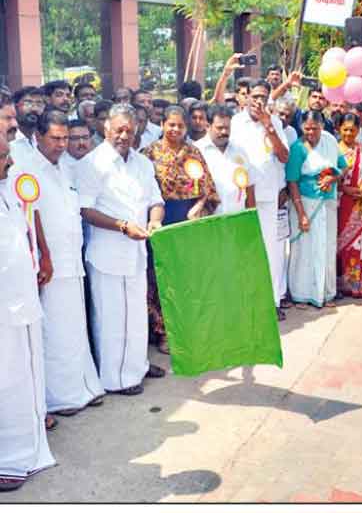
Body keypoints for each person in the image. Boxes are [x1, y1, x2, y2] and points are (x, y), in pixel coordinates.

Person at [8, 110, 105, 417]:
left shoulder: (66, 167)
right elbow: (29, 215)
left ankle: (82, 387)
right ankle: (61, 397)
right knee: (55, 332)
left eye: (66, 138)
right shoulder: (24, 169)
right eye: (56, 138)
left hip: (72, 259)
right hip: (49, 264)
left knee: (75, 328)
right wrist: (44, 256)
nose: (62, 144)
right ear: (38, 137)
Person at [75, 104, 167, 395]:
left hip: (138, 251)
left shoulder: (142, 163)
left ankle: (137, 366)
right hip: (108, 252)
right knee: (112, 317)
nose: (124, 135)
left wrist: (154, 222)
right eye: (118, 130)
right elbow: (85, 210)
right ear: (106, 129)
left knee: (136, 314)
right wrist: (123, 226)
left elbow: (156, 200)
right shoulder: (91, 164)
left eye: (129, 130)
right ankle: (117, 379)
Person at [0, 131, 56, 492]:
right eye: (4, 156)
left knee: (25, 375)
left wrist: (42, 256)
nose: (9, 162)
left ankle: (29, 450)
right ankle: (10, 457)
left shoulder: (8, 188)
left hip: (21, 298)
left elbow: (26, 225)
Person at [142, 106, 220, 353]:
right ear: (163, 125)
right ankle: (163, 331)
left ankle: (188, 328)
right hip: (161, 220)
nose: (175, 129)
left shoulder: (193, 152)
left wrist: (198, 207)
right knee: (160, 278)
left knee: (187, 278)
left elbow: (209, 189)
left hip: (188, 223)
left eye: (180, 125)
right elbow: (142, 192)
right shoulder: (149, 153)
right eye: (170, 124)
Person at [229, 79, 290, 319]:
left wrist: (270, 127)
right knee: (242, 250)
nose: (258, 101)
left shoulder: (273, 121)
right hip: (238, 196)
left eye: (263, 97)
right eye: (255, 97)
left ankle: (272, 301)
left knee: (272, 250)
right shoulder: (235, 122)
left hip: (268, 195)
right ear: (246, 98)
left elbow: (284, 156)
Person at [286, 110, 348, 309]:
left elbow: (343, 167)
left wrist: (334, 177)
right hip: (304, 203)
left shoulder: (330, 141)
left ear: (322, 126)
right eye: (307, 128)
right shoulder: (297, 148)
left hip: (327, 203)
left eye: (315, 128)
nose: (311, 132)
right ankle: (301, 295)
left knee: (326, 247)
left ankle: (326, 293)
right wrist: (302, 214)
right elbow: (292, 181)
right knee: (304, 250)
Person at [195, 104, 260, 215]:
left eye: (227, 128)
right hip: (208, 220)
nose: (224, 132)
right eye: (220, 128)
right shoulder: (197, 151)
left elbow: (250, 187)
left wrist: (251, 216)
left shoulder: (240, 151)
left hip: (237, 218)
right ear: (208, 126)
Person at [336, 113, 362, 298]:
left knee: (357, 244)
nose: (349, 133)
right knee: (340, 243)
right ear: (339, 129)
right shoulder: (334, 149)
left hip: (359, 204)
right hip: (339, 202)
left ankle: (357, 283)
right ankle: (340, 283)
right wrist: (345, 189)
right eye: (345, 129)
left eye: (353, 130)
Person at [10, 87, 40, 155]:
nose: (34, 109)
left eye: (39, 104)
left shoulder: (41, 141)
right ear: (15, 107)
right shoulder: (8, 141)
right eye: (28, 103)